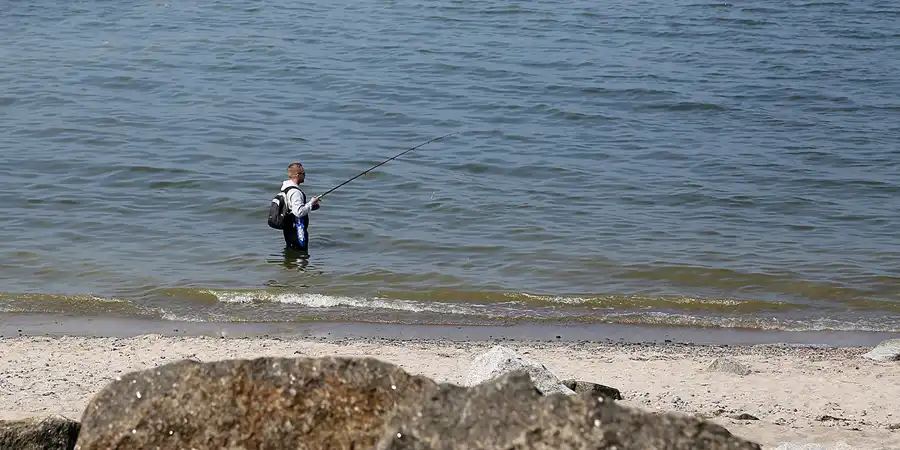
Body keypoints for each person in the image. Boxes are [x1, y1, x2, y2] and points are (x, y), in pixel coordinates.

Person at [280, 162, 320, 251]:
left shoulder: (285, 188)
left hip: (289, 229)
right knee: (300, 257)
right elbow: (298, 212)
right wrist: (311, 203)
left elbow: (292, 208)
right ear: (298, 175)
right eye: (303, 174)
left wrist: (311, 205)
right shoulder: (295, 192)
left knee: (291, 256)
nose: (305, 176)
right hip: (297, 231)